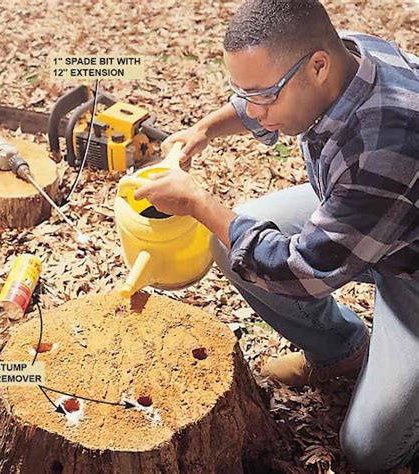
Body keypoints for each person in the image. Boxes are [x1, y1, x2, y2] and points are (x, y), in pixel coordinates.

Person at [132, 0, 419, 470]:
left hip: (410, 264)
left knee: (371, 451)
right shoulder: (340, 56)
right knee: (234, 240)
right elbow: (260, 96)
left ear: (318, 67)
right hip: (367, 213)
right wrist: (203, 130)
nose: (254, 108)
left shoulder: (390, 140)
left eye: (265, 95)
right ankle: (342, 352)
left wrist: (199, 203)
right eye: (244, 91)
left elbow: (304, 272)